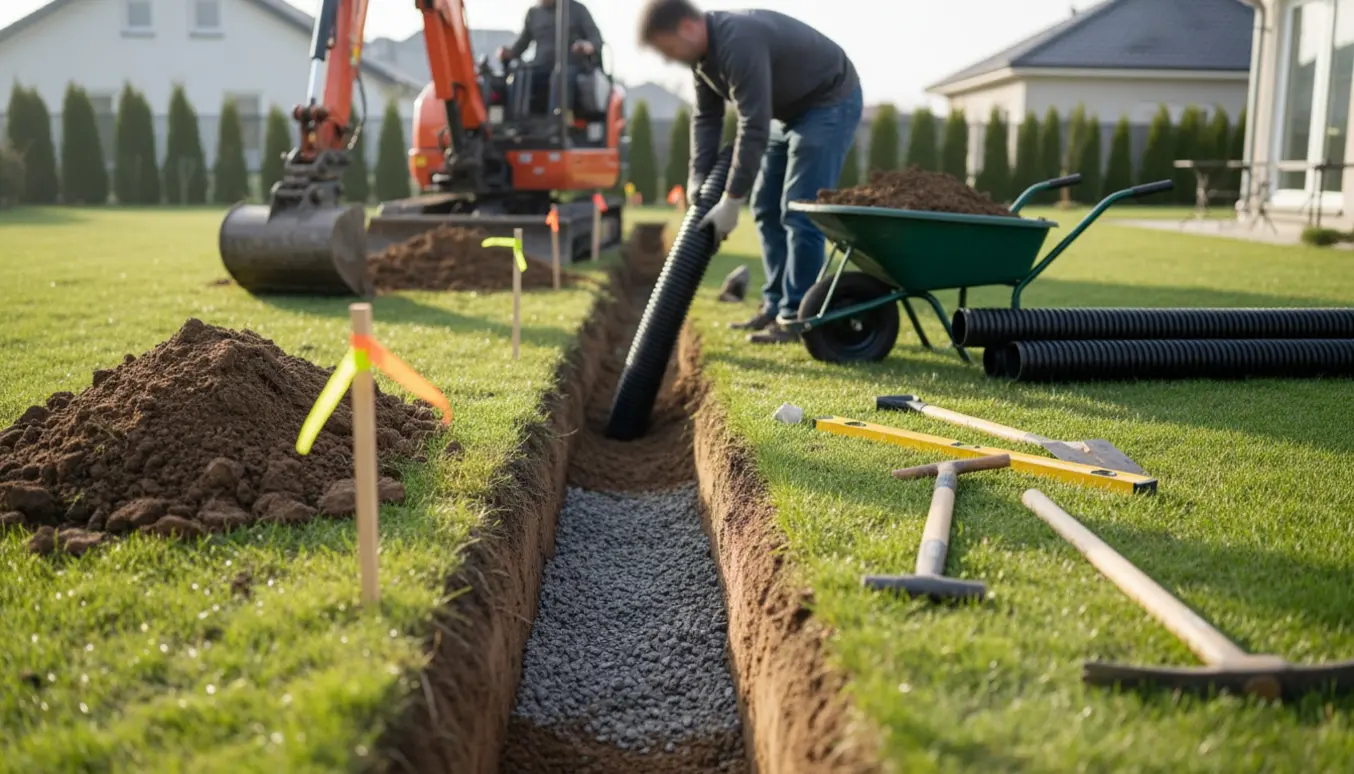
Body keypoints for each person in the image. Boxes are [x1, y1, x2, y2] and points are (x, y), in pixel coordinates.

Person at [638, 0, 863, 344]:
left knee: (798, 211)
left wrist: (730, 200)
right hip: (788, 113)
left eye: (668, 49)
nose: (669, 58)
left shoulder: (738, 41)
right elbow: (706, 119)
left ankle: (795, 318)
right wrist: (697, 181)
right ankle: (774, 305)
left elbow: (753, 125)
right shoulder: (703, 63)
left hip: (828, 101)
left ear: (686, 27)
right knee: (765, 208)